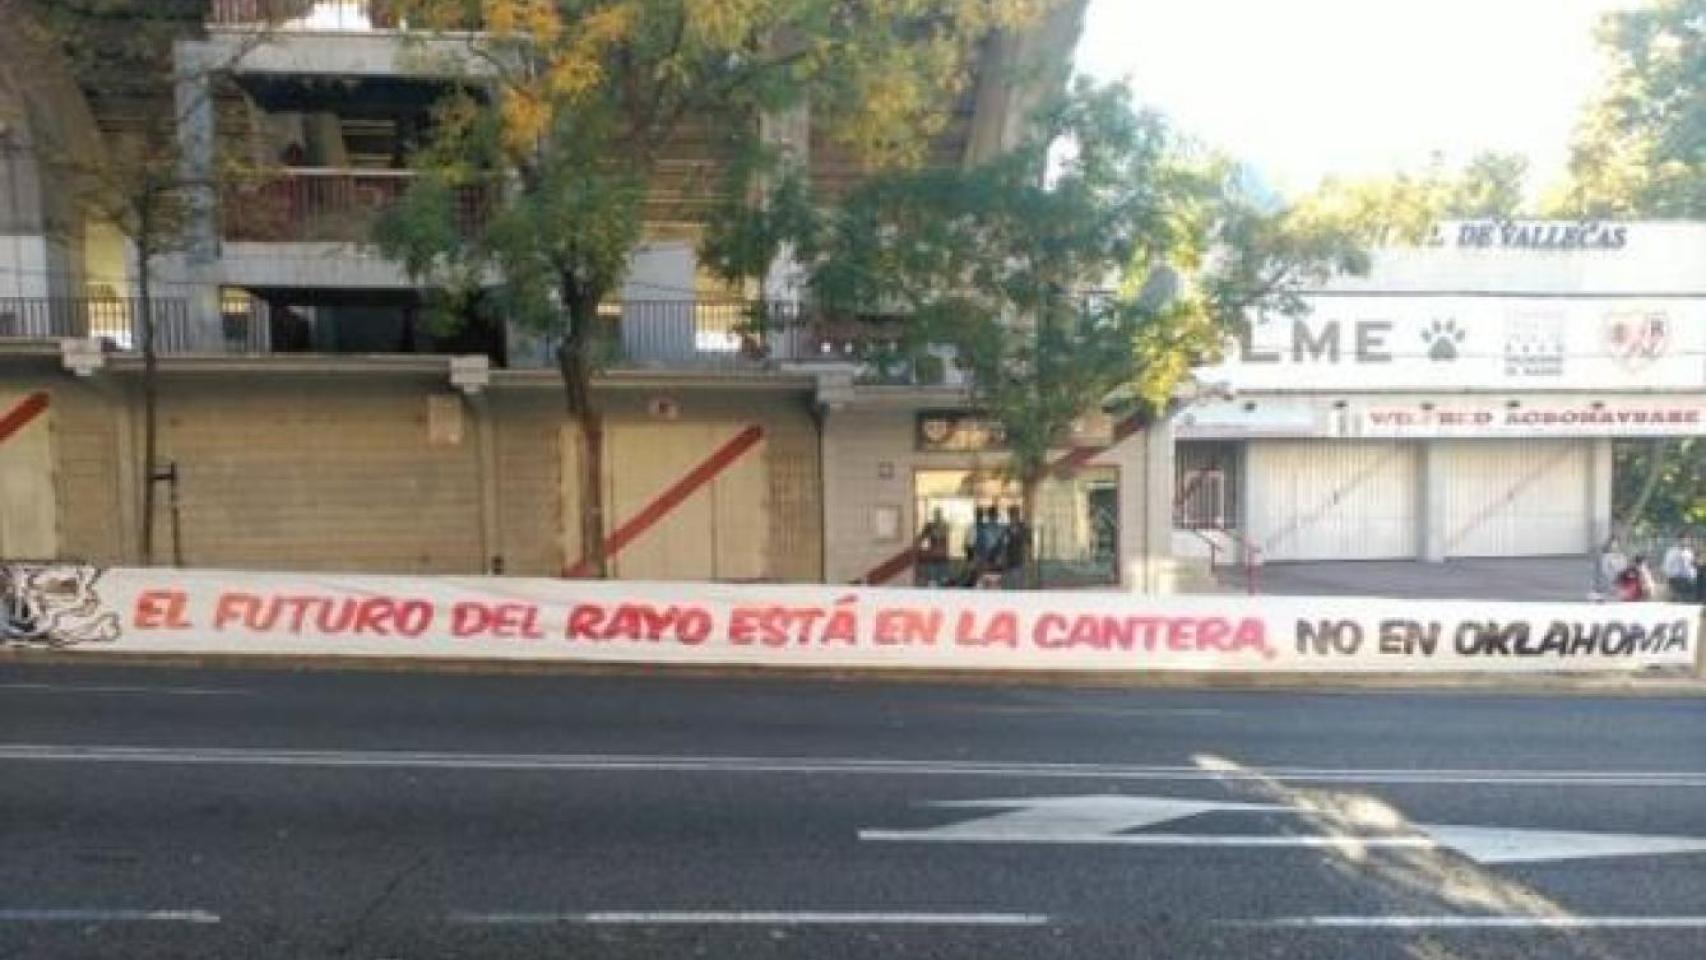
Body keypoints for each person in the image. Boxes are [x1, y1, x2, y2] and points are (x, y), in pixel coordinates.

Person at [915, 509, 951, 587]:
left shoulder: (942, 525)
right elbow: (920, 539)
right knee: (936, 581)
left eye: (938, 514)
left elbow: (920, 539)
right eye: (937, 514)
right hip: (936, 557)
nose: (938, 516)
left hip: (940, 557)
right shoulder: (932, 526)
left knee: (940, 581)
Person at [1002, 504, 1031, 589]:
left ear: (1018, 515)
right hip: (1010, 562)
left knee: (1019, 585)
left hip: (1020, 561)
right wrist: (1004, 559)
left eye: (1014, 514)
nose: (1012, 517)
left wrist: (1028, 559)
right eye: (1011, 515)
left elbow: (1028, 544)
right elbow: (1005, 546)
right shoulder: (1007, 529)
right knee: (1011, 586)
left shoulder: (1023, 528)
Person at [1595, 536, 1627, 601]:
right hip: (1607, 586)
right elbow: (1604, 571)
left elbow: (1624, 570)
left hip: (1618, 585)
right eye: (1613, 544)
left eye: (1616, 544)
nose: (1614, 546)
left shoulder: (1622, 557)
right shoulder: (1605, 557)